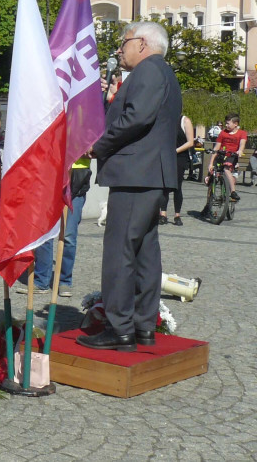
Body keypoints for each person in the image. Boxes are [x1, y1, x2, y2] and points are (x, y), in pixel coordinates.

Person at [79, 21, 181, 352]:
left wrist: (100, 145)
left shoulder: (149, 71)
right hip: (150, 174)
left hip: (137, 174)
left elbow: (136, 118)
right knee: (144, 251)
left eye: (124, 43)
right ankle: (142, 326)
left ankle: (119, 327)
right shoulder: (161, 72)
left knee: (120, 251)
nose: (120, 50)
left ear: (143, 43)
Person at [17, 157, 91, 297]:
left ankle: (64, 281)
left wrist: (90, 147)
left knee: (68, 235)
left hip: (77, 176)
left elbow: (95, 140)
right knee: (44, 233)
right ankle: (41, 280)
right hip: (49, 171)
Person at [160, 115, 194, 226]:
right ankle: (163, 214)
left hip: (180, 157)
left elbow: (190, 142)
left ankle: (177, 215)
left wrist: (175, 151)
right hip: (166, 156)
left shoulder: (185, 121)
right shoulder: (165, 118)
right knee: (164, 186)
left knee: (177, 186)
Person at [210, 113, 246, 203]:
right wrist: (211, 163)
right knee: (211, 177)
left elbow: (242, 143)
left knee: (226, 170)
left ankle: (233, 192)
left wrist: (240, 150)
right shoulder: (223, 133)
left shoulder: (242, 133)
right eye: (225, 123)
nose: (226, 125)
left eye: (228, 123)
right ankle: (209, 203)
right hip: (221, 155)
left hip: (232, 156)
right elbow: (217, 147)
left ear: (235, 124)